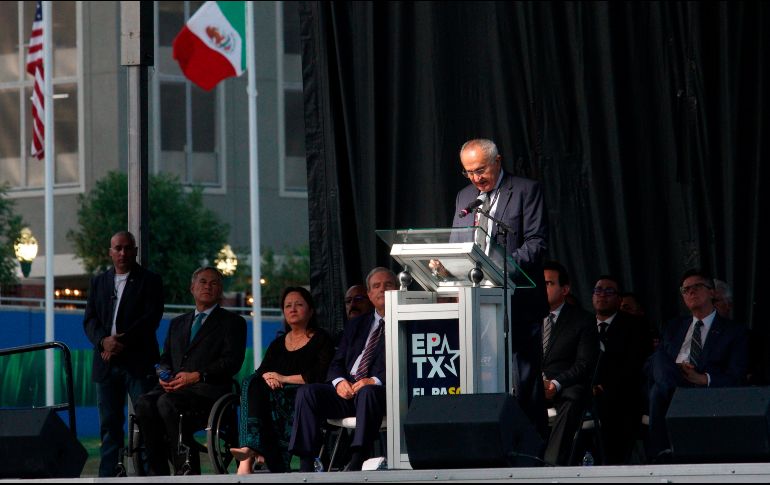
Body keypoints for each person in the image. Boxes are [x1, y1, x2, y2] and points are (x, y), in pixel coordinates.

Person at [449, 138, 550, 437]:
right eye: (468, 172)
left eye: (480, 170)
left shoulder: (525, 190)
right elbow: (458, 244)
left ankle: (533, 453)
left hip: (518, 302)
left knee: (524, 382)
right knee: (481, 381)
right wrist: (444, 264)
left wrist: (500, 268)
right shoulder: (464, 196)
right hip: (476, 305)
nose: (475, 178)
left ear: (498, 161)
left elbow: (536, 243)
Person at [134, 266, 246, 475]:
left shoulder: (233, 323)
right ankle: (157, 472)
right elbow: (165, 357)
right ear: (192, 288)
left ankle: (186, 469)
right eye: (203, 282)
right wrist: (163, 375)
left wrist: (197, 375)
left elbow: (232, 362)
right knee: (144, 403)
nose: (208, 286)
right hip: (174, 388)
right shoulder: (178, 323)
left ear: (220, 290)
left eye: (214, 283)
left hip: (208, 392)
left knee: (166, 403)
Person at [289, 267, 397, 472]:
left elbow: (407, 362)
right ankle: (306, 462)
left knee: (368, 391)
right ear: (369, 294)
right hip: (347, 391)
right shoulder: (356, 324)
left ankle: (358, 457)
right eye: (376, 286)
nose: (382, 290)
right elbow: (337, 362)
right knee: (307, 392)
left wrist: (374, 380)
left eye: (388, 285)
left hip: (380, 394)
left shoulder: (407, 322)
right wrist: (339, 382)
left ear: (398, 289)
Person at [82, 231, 164, 477]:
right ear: (110, 252)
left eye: (128, 248)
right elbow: (90, 320)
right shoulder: (99, 282)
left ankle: (151, 475)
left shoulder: (150, 281)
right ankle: (109, 474)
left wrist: (119, 343)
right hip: (106, 364)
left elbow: (151, 318)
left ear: (135, 251)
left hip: (138, 363)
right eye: (117, 248)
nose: (123, 253)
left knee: (147, 419)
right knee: (109, 424)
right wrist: (103, 342)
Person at [646, 269, 748, 462]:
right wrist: (678, 374)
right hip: (674, 386)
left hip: (705, 393)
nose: (691, 292)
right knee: (657, 360)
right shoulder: (673, 327)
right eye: (686, 290)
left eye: (697, 287)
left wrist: (702, 379)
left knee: (659, 389)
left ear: (711, 292)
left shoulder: (734, 332)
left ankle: (660, 451)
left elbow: (737, 376)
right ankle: (675, 391)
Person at [229, 287, 334, 474]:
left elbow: (319, 374)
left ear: (310, 311)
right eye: (288, 306)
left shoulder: (321, 338)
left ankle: (253, 451)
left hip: (304, 398)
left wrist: (283, 378)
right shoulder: (278, 343)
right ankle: (248, 451)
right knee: (250, 382)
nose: (292, 309)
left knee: (268, 394)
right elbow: (262, 371)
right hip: (273, 396)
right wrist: (269, 378)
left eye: (299, 304)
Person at [541, 261, 599, 466]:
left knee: (574, 396)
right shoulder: (525, 318)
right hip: (532, 385)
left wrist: (555, 383)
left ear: (565, 289)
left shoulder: (582, 321)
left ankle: (551, 463)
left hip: (562, 386)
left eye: (548, 283)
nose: (542, 288)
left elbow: (584, 364)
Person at [591, 275, 651, 465]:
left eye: (609, 291)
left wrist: (603, 387)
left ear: (619, 299)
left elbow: (635, 365)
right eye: (598, 290)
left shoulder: (635, 326)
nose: (602, 295)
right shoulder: (582, 324)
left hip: (620, 398)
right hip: (585, 394)